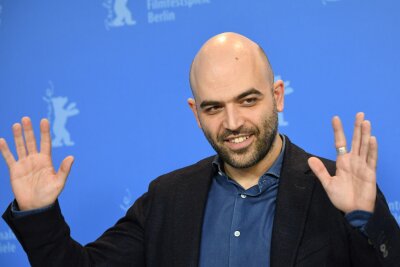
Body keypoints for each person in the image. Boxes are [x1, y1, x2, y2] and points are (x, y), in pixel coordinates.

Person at [1, 32, 399, 267]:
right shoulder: (167, 199)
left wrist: (370, 218)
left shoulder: (337, 191)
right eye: (214, 107)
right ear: (196, 112)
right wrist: (39, 216)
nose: (232, 123)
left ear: (277, 95)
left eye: (247, 100)